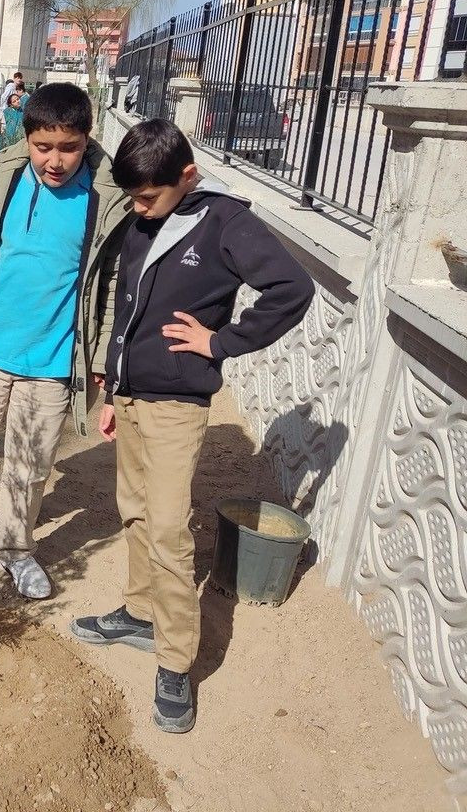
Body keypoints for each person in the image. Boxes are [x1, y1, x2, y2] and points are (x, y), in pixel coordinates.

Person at [70, 118, 314, 735]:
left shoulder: (225, 222)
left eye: (148, 196)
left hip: (177, 407)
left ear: (187, 175)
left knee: (169, 530)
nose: (138, 207)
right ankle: (139, 612)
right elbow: (128, 310)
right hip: (131, 397)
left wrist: (221, 342)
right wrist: (112, 388)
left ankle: (175, 661)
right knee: (133, 511)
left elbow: (291, 288)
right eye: (132, 196)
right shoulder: (143, 220)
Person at [0, 82, 133, 600]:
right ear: (27, 137)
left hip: (54, 360)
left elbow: (110, 283)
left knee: (30, 465)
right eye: (43, 147)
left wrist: (102, 355)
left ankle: (16, 550)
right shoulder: (4, 173)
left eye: (68, 148)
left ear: (88, 139)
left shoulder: (108, 195)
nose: (54, 161)